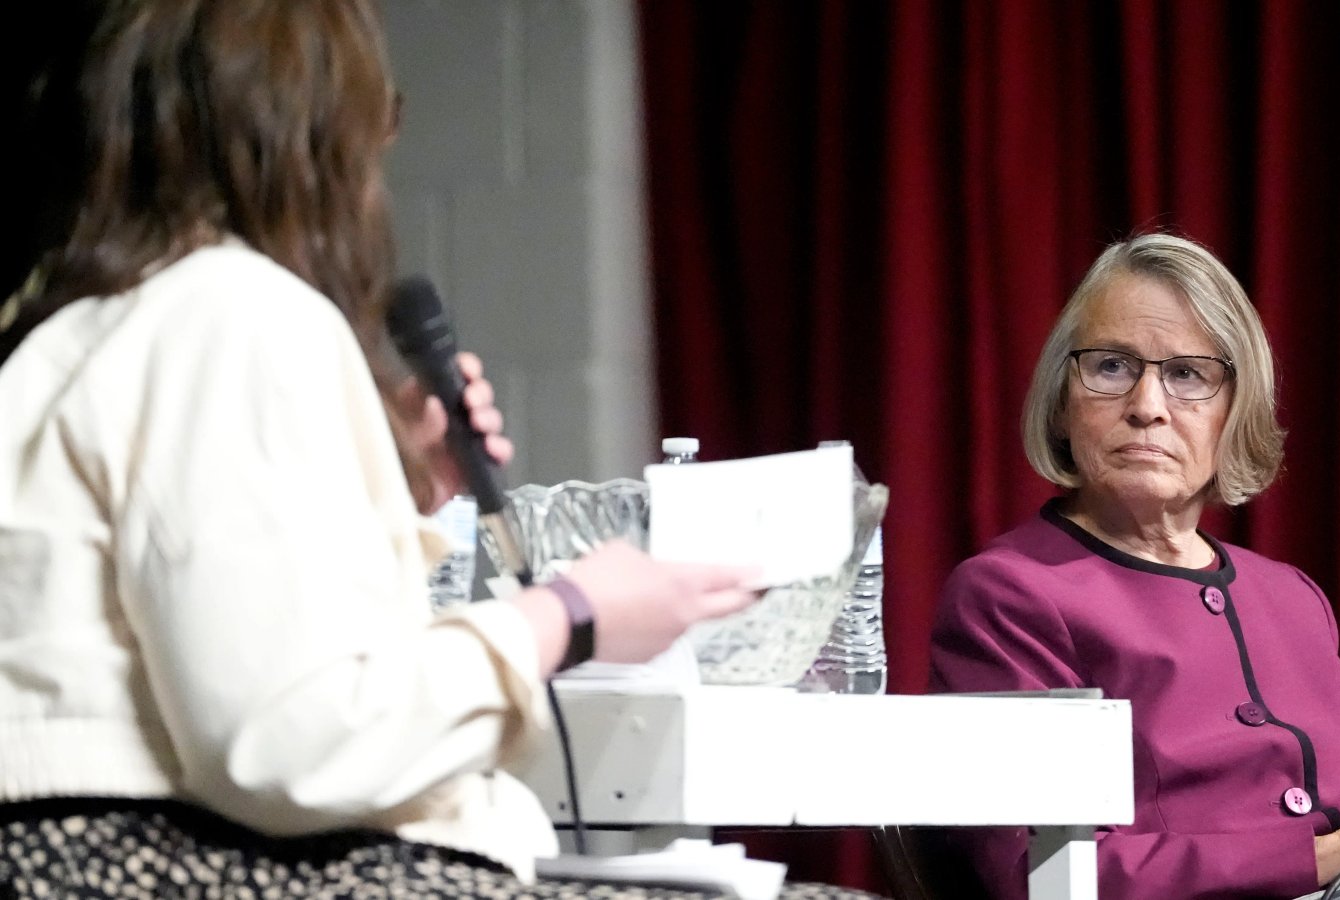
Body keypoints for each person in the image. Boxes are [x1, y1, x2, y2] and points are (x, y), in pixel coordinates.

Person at [0, 3, 876, 898]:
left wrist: (386, 490)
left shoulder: (67, 331)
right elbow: (287, 739)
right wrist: (566, 616)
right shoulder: (234, 312)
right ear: (312, 141)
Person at [927, 233, 1340, 899]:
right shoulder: (1007, 596)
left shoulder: (1292, 598)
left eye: (1188, 375)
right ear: (1062, 402)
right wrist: (1335, 851)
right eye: (1110, 367)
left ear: (1234, 412)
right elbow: (1046, 879)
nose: (1147, 406)